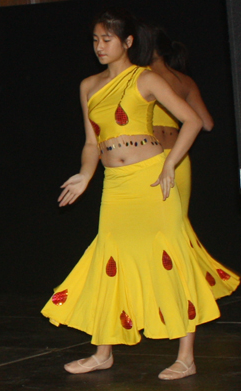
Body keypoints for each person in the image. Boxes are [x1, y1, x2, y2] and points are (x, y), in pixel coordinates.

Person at [41, 9, 239, 380]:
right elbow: (90, 141)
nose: (100, 46)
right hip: (116, 185)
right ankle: (103, 352)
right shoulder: (88, 85)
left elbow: (193, 121)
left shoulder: (145, 79)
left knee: (171, 256)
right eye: (96, 40)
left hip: (151, 179)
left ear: (128, 42)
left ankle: (186, 356)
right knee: (109, 259)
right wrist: (86, 175)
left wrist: (169, 164)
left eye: (108, 39)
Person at [150, 27, 239, 299]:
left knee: (158, 226)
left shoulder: (144, 78)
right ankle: (182, 289)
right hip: (179, 157)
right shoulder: (184, 81)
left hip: (154, 158)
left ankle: (171, 290)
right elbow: (208, 123)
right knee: (176, 225)